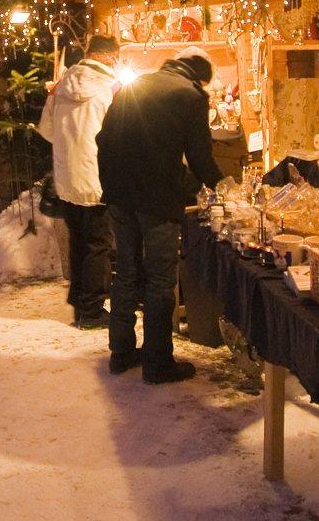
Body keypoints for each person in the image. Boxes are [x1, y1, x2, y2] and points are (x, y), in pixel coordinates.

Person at [95, 52, 224, 384]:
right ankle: (158, 361)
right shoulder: (190, 95)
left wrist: (110, 185)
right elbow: (199, 156)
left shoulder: (134, 87)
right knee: (159, 279)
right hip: (156, 199)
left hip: (119, 195)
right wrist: (224, 187)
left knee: (125, 272)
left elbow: (102, 140)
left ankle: (121, 353)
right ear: (200, 77)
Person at [39, 34, 122, 328]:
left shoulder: (61, 85)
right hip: (96, 176)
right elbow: (120, 135)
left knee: (79, 240)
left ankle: (79, 300)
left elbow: (47, 130)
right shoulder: (113, 88)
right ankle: (92, 310)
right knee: (98, 244)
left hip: (67, 178)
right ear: (111, 56)